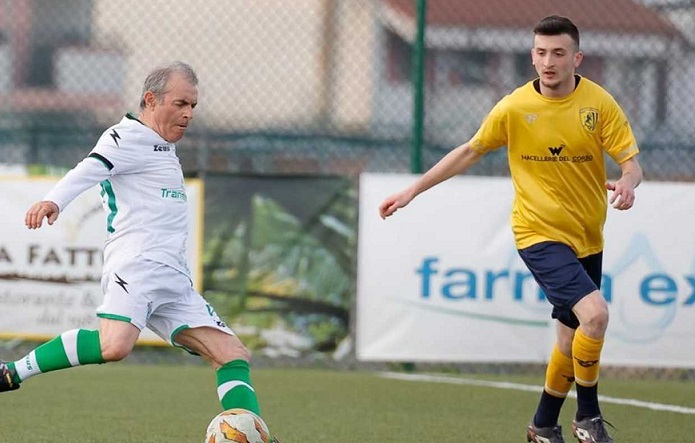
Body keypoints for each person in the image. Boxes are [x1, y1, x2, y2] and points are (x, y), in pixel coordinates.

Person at [379, 16, 642, 443]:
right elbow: (469, 151)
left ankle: (542, 424)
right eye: (540, 52)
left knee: (570, 337)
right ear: (532, 56)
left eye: (558, 53)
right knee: (596, 315)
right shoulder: (515, 107)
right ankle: (588, 417)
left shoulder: (599, 105)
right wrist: (413, 190)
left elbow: (631, 164)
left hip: (587, 236)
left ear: (577, 58)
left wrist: (628, 184)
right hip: (537, 234)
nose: (548, 62)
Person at [0, 61, 280, 442]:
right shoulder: (126, 136)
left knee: (232, 354)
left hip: (174, 279)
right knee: (114, 345)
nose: (188, 113)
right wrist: (53, 201)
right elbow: (88, 169)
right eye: (181, 103)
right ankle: (12, 373)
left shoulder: (163, 145)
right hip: (136, 267)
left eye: (193, 106)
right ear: (151, 99)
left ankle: (251, 437)